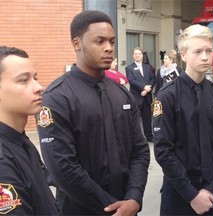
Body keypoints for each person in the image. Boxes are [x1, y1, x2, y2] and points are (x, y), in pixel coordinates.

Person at [36, 11, 150, 216]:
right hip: (81, 209)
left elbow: (140, 150)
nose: (109, 48)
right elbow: (63, 168)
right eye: (100, 41)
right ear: (77, 43)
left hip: (127, 206)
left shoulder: (121, 94)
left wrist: (134, 197)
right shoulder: (57, 97)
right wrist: (112, 207)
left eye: (112, 42)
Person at [152, 24, 213, 215]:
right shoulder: (167, 96)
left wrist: (212, 188)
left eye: (209, 51)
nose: (205, 57)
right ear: (183, 54)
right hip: (179, 194)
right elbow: (164, 150)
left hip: (212, 195)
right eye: (197, 51)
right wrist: (192, 195)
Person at [0, 46, 58, 215]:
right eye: (23, 80)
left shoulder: (20, 140)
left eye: (35, 78)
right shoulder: (3, 161)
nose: (39, 87)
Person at [125, 47, 156, 142]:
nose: (137, 55)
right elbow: (131, 81)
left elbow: (153, 79)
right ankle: (136, 138)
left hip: (146, 97)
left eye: (139, 53)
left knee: (147, 118)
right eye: (135, 54)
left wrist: (147, 89)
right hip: (136, 97)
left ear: (142, 55)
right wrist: (143, 87)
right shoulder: (129, 68)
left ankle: (149, 137)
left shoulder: (148, 67)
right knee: (135, 119)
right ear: (133, 56)